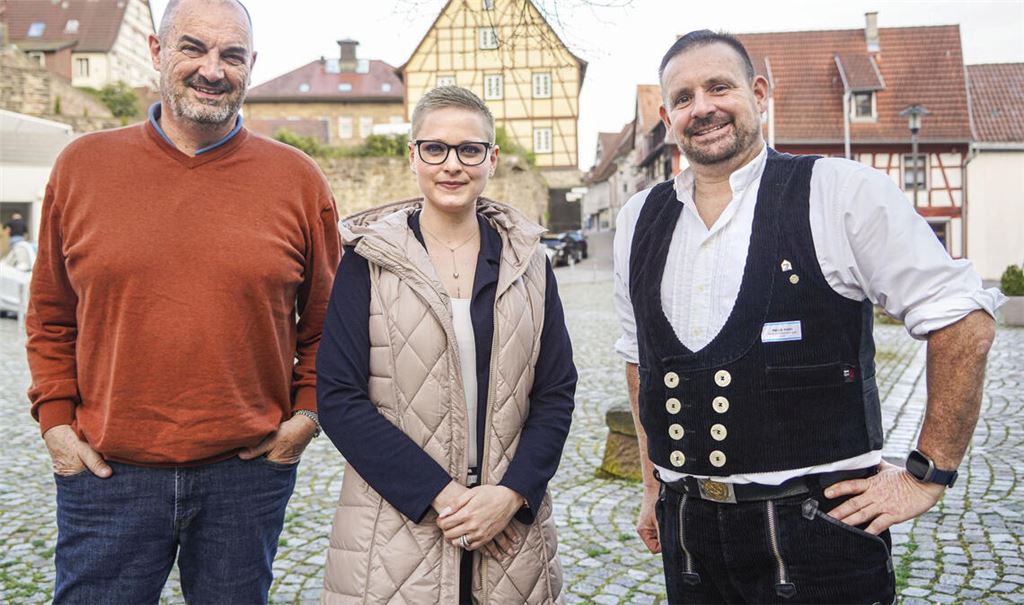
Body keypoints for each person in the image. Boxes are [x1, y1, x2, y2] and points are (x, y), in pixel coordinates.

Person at [613, 30, 1004, 604]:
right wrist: (653, 484)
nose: (702, 108)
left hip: (817, 533)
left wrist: (928, 474)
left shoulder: (838, 191)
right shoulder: (638, 218)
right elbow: (638, 356)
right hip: (689, 533)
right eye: (683, 97)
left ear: (760, 93)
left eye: (719, 87)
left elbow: (962, 319)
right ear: (669, 117)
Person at [25, 0, 340, 602]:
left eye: (232, 55)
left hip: (245, 475)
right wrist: (56, 424)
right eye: (193, 48)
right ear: (156, 51)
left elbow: (331, 322)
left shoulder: (298, 181)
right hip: (107, 473)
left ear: (251, 66)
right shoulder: (82, 167)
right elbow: (49, 314)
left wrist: (306, 418)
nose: (213, 69)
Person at [317, 86, 576, 604]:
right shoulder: (366, 262)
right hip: (391, 535)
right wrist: (447, 497)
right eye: (434, 148)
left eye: (470, 150)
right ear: (412, 155)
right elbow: (340, 398)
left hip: (509, 534)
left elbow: (555, 392)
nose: (451, 165)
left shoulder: (530, 265)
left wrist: (511, 495)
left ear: (492, 159)